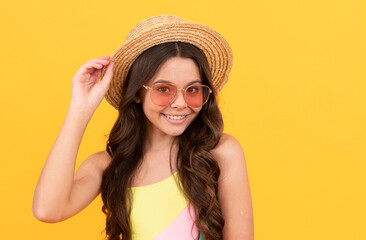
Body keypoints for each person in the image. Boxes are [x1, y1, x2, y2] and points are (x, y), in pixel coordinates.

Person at [32, 15, 254, 240]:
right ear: (138, 92)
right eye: (164, 89)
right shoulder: (108, 165)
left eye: (192, 90)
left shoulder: (221, 152)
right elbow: (48, 210)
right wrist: (80, 110)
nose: (180, 103)